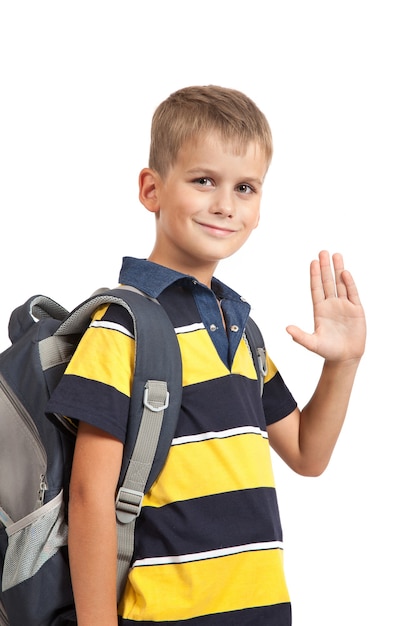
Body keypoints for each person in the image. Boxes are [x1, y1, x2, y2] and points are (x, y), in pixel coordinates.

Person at [46, 85, 366, 625]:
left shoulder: (243, 332)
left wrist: (344, 362)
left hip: (262, 611)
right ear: (152, 189)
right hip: (169, 614)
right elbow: (89, 497)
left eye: (245, 187)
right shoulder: (124, 326)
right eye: (203, 181)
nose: (225, 204)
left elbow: (309, 456)